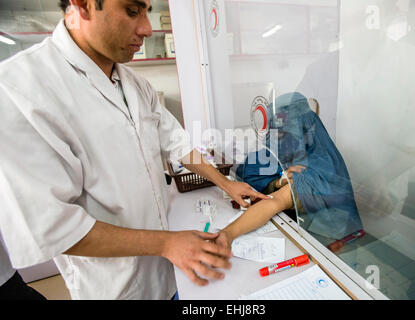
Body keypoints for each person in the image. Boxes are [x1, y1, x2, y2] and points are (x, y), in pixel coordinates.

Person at [0, 0, 268, 300]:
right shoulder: (18, 89)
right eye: (131, 11)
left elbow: (176, 143)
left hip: (168, 272)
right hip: (114, 286)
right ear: (83, 5)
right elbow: (53, 227)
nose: (146, 29)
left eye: (146, 12)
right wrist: (166, 244)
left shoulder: (135, 84)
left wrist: (226, 183)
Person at [220, 92, 363, 247]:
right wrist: (277, 182)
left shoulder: (317, 169)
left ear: (304, 131)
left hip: (333, 244)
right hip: (301, 229)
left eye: (282, 134)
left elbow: (276, 202)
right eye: (275, 133)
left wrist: (228, 234)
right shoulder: (291, 152)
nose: (276, 140)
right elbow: (250, 169)